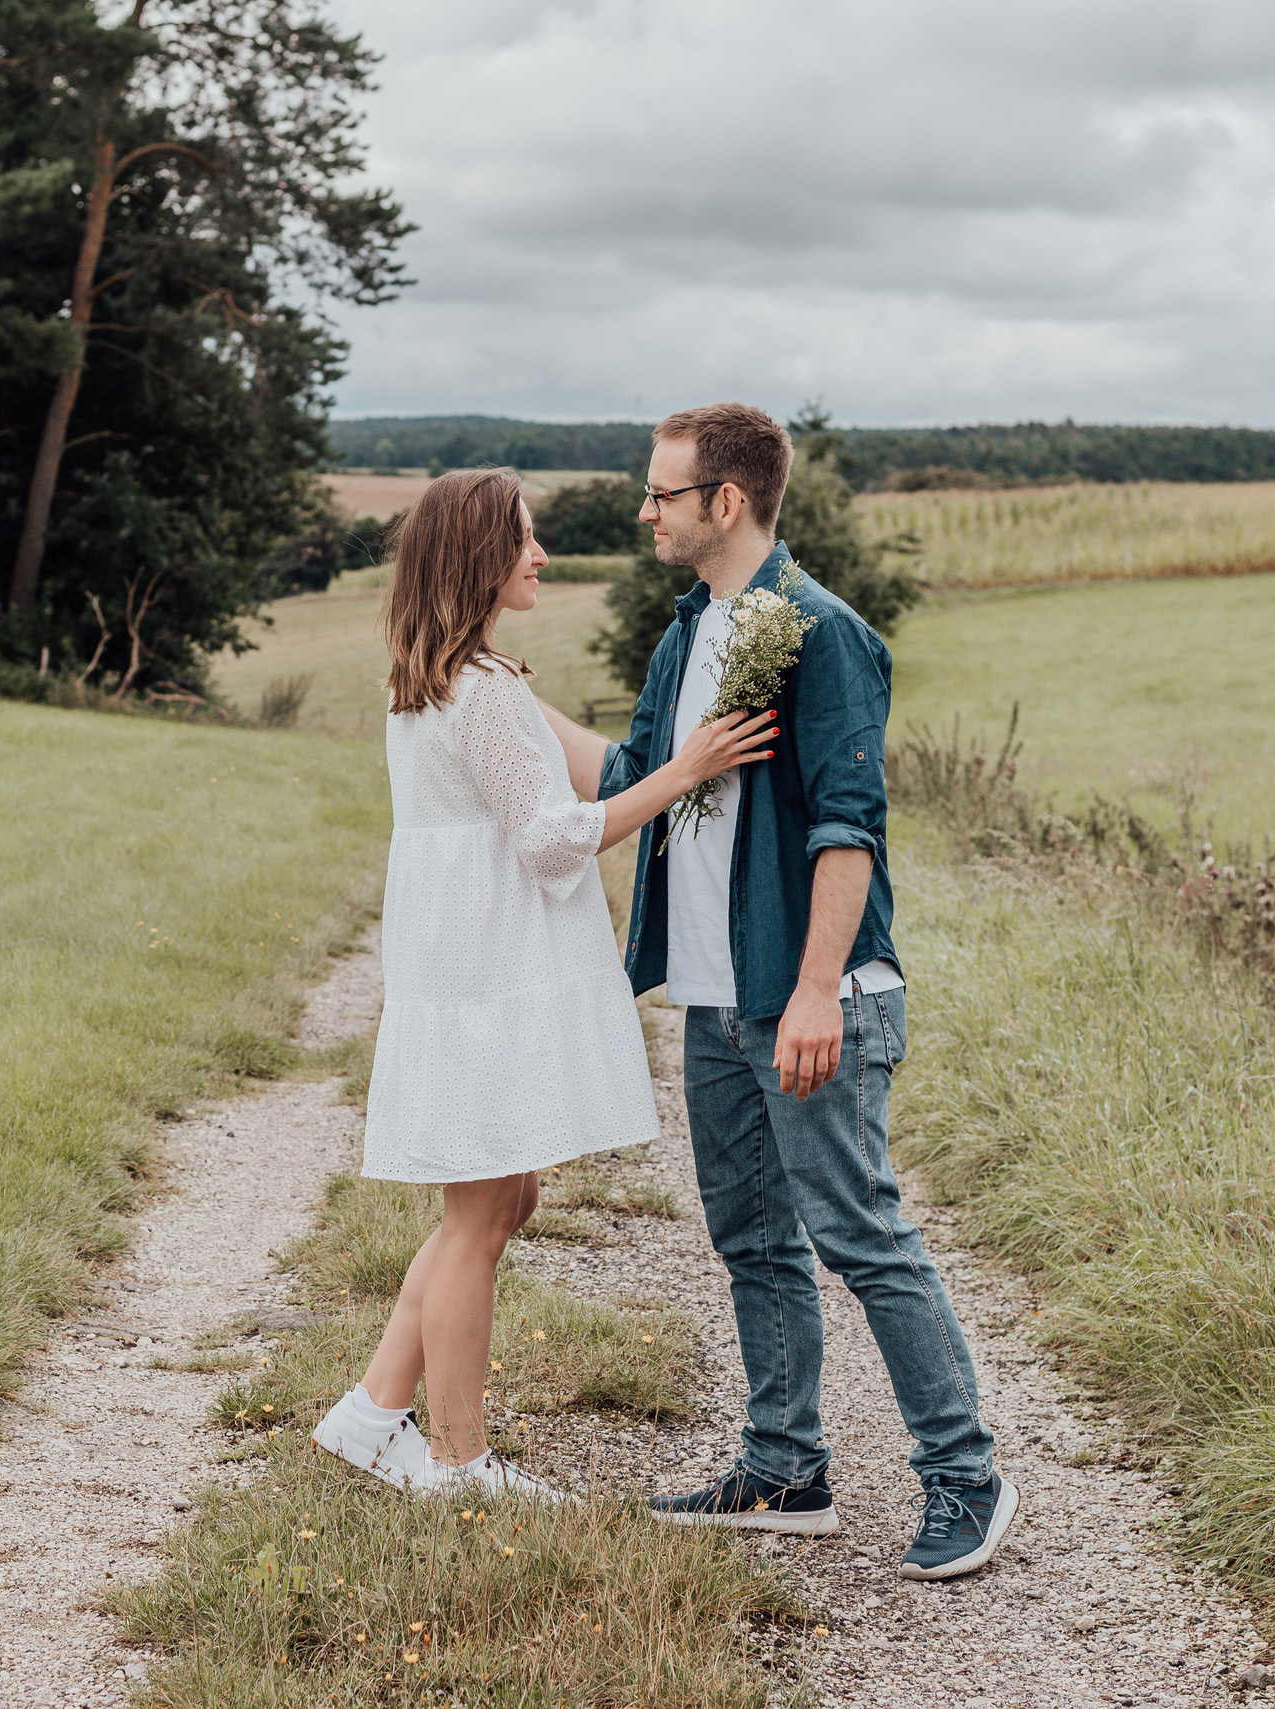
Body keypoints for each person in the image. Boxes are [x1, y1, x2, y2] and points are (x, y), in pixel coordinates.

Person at [534, 403, 1018, 1580]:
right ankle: (783, 1467)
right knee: (751, 1235)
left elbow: (848, 830)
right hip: (713, 995)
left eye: (661, 493)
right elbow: (640, 775)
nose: (644, 510)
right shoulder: (686, 634)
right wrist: (489, 690)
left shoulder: (820, 632)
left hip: (812, 995)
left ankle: (967, 1476)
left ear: (726, 501)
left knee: (861, 1234)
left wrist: (814, 992)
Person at [309, 467, 776, 1500]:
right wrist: (685, 772)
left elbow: (595, 764)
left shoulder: (461, 677)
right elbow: (552, 834)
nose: (541, 553)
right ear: (481, 553)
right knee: (480, 1214)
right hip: (485, 977)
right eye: (524, 537)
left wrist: (682, 747)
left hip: (472, 968)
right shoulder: (474, 689)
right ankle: (458, 1461)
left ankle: (371, 1409)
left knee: (504, 1194)